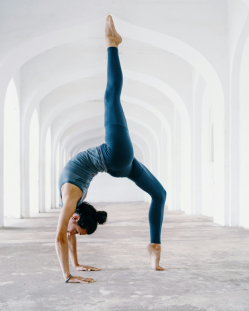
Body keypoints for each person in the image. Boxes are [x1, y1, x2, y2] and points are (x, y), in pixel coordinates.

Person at [55, 15, 167, 284]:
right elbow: (68, 234)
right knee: (159, 195)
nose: (74, 234)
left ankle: (111, 43)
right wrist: (76, 266)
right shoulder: (74, 207)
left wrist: (70, 274)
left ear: (76, 216)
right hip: (117, 158)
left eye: (77, 232)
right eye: (79, 232)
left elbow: (60, 237)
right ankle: (153, 247)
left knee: (160, 194)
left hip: (116, 158)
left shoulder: (71, 198)